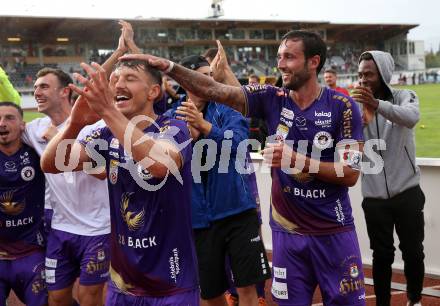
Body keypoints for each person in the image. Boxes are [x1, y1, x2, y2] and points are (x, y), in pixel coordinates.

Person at [122, 29, 366, 306]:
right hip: (286, 235)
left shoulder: (342, 106)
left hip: (333, 231)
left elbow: (350, 173)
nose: (281, 64)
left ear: (314, 62)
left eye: (289, 57)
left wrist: (298, 160)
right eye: (279, 57)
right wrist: (167, 66)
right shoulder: (273, 97)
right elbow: (215, 89)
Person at [40, 57, 199, 305]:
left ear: (153, 92)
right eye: (114, 80)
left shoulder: (174, 127)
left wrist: (107, 111)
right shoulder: (105, 134)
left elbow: (159, 165)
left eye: (130, 78)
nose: (118, 85)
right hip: (123, 286)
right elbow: (52, 164)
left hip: (171, 286)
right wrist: (75, 123)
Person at [168, 55, 270, 306]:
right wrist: (185, 140)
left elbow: (239, 144)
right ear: (186, 81)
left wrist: (204, 126)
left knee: (248, 290)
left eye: (211, 76)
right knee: (209, 294)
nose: (209, 81)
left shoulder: (226, 109)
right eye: (202, 76)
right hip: (198, 221)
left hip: (238, 213)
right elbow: (165, 162)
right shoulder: (171, 116)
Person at [352, 50, 425, 306]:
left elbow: (412, 117)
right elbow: (349, 149)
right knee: (381, 256)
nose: (363, 80)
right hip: (373, 198)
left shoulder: (405, 96)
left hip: (407, 192)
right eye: (360, 74)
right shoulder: (355, 105)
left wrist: (376, 105)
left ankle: (414, 299)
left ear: (383, 73)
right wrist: (361, 119)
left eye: (369, 74)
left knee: (413, 253)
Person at [0, 102, 47, 306]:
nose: (2, 123)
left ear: (22, 125)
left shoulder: (38, 153)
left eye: (9, 118)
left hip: (31, 251)